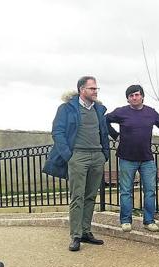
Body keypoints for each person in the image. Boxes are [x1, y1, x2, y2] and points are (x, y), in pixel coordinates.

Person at [43, 76, 110, 252]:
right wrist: (69, 156)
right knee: (77, 197)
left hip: (97, 157)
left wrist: (105, 155)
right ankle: (76, 235)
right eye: (92, 88)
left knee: (90, 196)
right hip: (78, 156)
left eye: (96, 89)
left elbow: (104, 133)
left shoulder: (99, 110)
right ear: (82, 90)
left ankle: (86, 231)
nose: (95, 91)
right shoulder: (67, 109)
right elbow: (58, 132)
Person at [105, 84, 159, 232]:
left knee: (150, 191)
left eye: (137, 94)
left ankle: (149, 221)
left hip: (147, 159)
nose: (134, 97)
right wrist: (115, 135)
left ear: (142, 96)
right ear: (128, 99)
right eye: (131, 95)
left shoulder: (151, 113)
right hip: (126, 158)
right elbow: (104, 120)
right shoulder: (121, 112)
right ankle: (126, 220)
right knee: (126, 191)